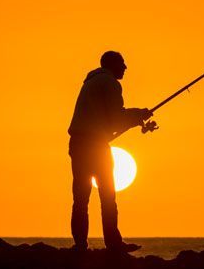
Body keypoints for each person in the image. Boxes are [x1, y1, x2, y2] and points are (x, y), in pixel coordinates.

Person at [67, 50, 156, 252]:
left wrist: (136, 118)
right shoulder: (110, 83)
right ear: (113, 65)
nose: (125, 67)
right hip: (94, 146)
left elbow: (109, 120)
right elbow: (116, 117)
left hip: (79, 143)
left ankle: (80, 245)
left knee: (80, 197)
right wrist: (139, 114)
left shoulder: (92, 82)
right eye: (122, 63)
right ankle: (113, 244)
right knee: (107, 195)